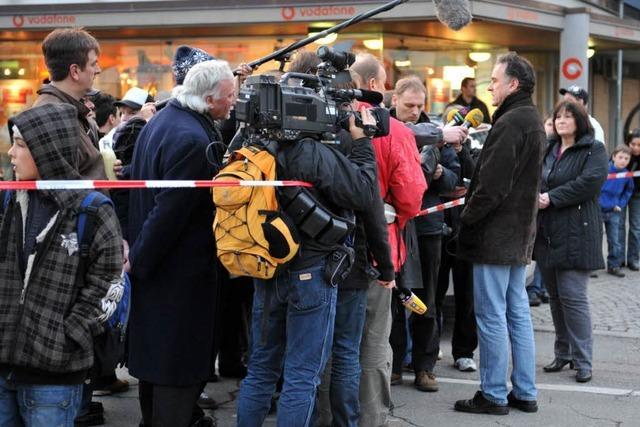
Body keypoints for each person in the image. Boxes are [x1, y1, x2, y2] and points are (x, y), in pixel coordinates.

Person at [236, 93, 379, 427]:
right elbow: (363, 192)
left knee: (260, 369)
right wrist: (362, 143)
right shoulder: (312, 152)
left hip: (269, 270)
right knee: (301, 376)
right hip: (311, 273)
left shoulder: (254, 148)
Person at [127, 60, 236, 427]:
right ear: (208, 99)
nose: (234, 102)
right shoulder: (192, 139)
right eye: (229, 96)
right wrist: (139, 261)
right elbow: (168, 214)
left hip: (158, 272)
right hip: (179, 278)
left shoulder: (163, 120)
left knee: (154, 372)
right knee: (173, 374)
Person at [0, 103, 124, 427]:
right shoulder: (10, 200)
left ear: (47, 149)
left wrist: (69, 335)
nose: (11, 153)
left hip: (55, 377)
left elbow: (109, 283)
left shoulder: (92, 209)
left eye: (21, 144)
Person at [454, 52, 545, 415]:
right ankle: (524, 390)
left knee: (493, 316)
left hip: (497, 235)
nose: (489, 86)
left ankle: (493, 393)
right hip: (517, 232)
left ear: (513, 84)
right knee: (516, 312)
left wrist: (467, 219)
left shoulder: (511, 122)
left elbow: (492, 187)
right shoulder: (530, 118)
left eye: (494, 80)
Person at [349, 54, 426, 427]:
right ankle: (371, 419)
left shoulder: (325, 120)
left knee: (332, 343)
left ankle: (330, 416)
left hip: (325, 250)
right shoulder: (394, 132)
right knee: (374, 343)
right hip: (378, 251)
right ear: (376, 85)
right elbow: (412, 196)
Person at [388, 76, 465, 391]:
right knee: (394, 299)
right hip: (396, 227)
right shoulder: (387, 129)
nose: (415, 112)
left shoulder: (437, 134)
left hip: (428, 229)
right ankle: (393, 366)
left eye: (420, 106)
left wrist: (439, 173)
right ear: (395, 101)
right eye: (409, 106)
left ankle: (424, 367)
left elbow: (455, 179)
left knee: (426, 301)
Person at [534, 99, 608, 383]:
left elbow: (590, 183)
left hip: (578, 232)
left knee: (573, 297)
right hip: (549, 231)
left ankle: (583, 360)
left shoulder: (594, 149)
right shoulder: (549, 148)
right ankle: (562, 353)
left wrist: (552, 197)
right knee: (554, 297)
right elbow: (537, 180)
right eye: (557, 117)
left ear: (580, 120)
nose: (561, 120)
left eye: (567, 116)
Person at [32, 28, 106, 180]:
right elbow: (63, 190)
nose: (98, 70)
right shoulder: (52, 115)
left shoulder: (66, 109)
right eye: (93, 64)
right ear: (75, 71)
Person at [527, 113, 555, 307]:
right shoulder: (540, 147)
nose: (553, 127)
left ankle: (542, 288)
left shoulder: (557, 150)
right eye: (550, 123)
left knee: (546, 251)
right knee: (534, 252)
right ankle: (533, 289)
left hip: (550, 206)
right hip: (534, 206)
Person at [600, 145, 634, 278]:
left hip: (614, 210)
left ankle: (613, 265)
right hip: (598, 209)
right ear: (614, 157)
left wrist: (621, 203)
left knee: (615, 240)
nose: (623, 160)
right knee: (595, 239)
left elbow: (629, 190)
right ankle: (592, 266)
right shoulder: (604, 170)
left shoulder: (627, 174)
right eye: (620, 157)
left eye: (627, 158)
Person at [620, 129, 640, 271]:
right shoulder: (622, 155)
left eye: (639, 145)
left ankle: (633, 259)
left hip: (638, 196)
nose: (636, 148)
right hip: (620, 195)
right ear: (628, 143)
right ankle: (618, 259)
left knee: (636, 228)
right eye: (633, 144)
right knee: (619, 226)